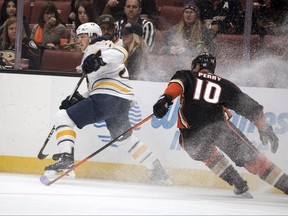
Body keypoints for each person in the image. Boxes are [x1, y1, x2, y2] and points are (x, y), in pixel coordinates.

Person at [44, 22, 171, 185]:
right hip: (119, 101)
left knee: (63, 117)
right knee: (124, 139)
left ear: (92, 36)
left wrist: (98, 59)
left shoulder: (101, 45)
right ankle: (157, 171)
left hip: (108, 98)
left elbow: (121, 52)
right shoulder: (94, 52)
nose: (79, 41)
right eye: (78, 37)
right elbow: (98, 85)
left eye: (82, 37)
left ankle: (66, 158)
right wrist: (77, 100)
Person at [153, 52, 288, 196]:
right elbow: (251, 108)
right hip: (220, 129)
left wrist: (165, 99)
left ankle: (237, 183)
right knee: (255, 162)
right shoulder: (225, 85)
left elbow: (177, 84)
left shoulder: (187, 75)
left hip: (191, 134)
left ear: (197, 66)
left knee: (206, 154)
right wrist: (264, 128)